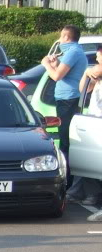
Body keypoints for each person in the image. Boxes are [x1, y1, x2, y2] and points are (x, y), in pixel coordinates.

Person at [41, 25, 88, 185]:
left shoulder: (73, 52)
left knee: (65, 140)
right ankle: (69, 180)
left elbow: (56, 76)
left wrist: (46, 64)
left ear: (67, 37)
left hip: (68, 99)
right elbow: (64, 74)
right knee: (65, 139)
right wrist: (56, 64)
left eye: (61, 37)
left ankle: (67, 181)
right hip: (66, 98)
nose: (59, 41)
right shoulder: (73, 52)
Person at [71, 48, 102, 207]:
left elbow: (98, 69)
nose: (97, 60)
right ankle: (91, 194)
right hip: (94, 121)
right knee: (89, 162)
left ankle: (92, 195)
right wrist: (86, 74)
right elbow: (83, 89)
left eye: (98, 56)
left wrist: (92, 70)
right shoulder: (96, 74)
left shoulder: (98, 70)